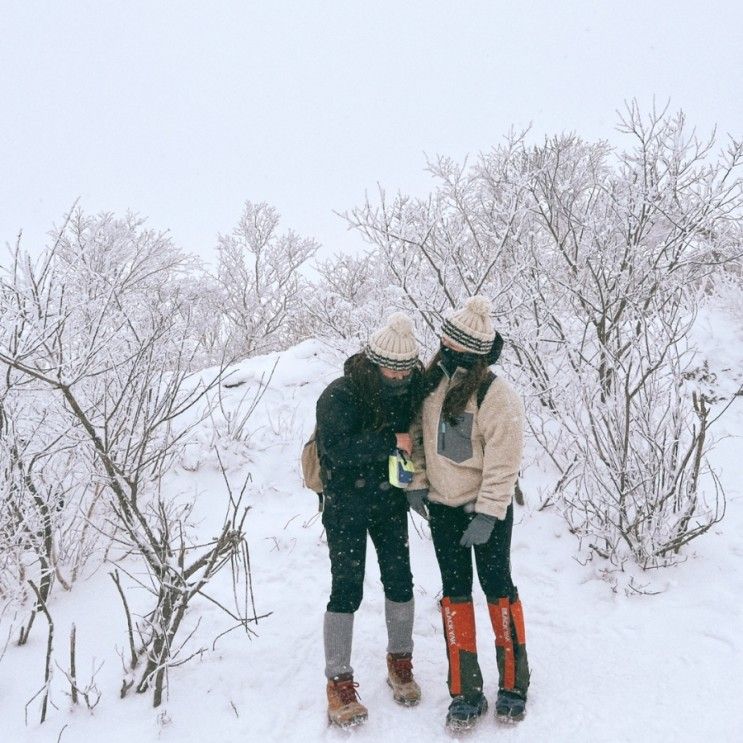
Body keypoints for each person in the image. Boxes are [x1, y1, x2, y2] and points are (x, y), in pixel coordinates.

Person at [407, 295, 530, 731]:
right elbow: (415, 438)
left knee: (498, 589)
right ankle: (465, 691)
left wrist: (489, 513)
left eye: (448, 338)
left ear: (465, 348)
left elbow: (504, 461)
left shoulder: (497, 395)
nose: (439, 341)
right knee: (455, 594)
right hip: (443, 509)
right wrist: (417, 485)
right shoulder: (431, 383)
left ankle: (514, 685)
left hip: (484, 512)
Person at [316, 312, 424, 728]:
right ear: (373, 359)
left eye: (404, 369)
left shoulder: (412, 388)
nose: (397, 377)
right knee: (346, 588)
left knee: (400, 579)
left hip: (388, 502)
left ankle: (401, 660)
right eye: (390, 368)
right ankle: (338, 681)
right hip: (344, 504)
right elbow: (335, 449)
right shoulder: (340, 394)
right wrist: (388, 442)